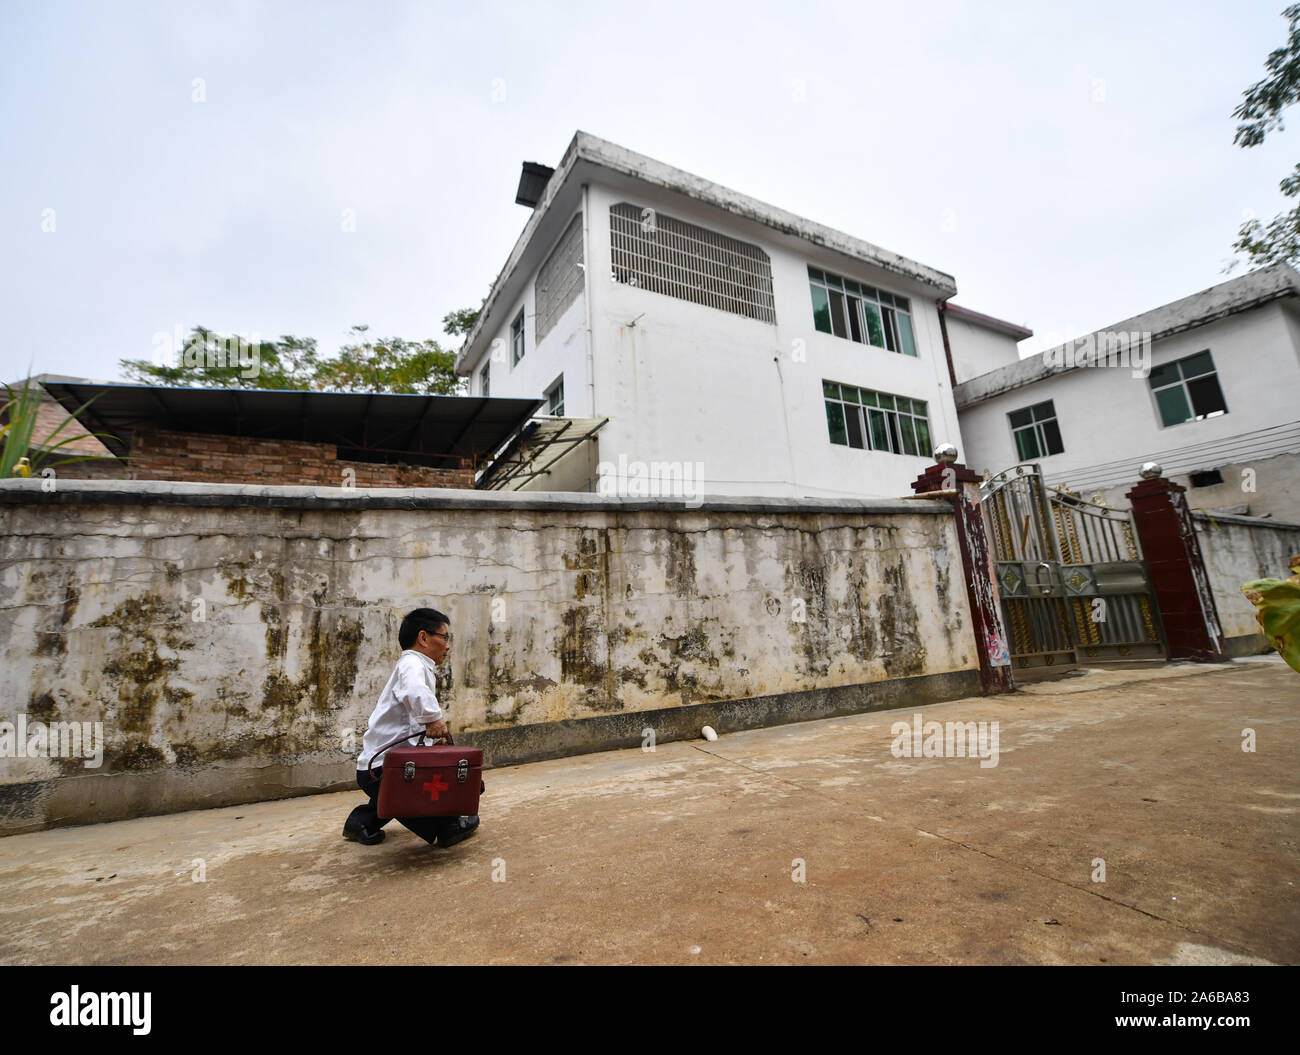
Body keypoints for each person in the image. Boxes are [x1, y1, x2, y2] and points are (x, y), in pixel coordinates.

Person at [342, 607, 480, 848]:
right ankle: (445, 825)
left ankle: (361, 822)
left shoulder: (417, 665)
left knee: (404, 786)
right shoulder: (412, 664)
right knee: (445, 829)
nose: (447, 646)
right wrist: (433, 719)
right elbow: (414, 691)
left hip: (384, 769)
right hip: (383, 770)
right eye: (444, 637)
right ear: (424, 638)